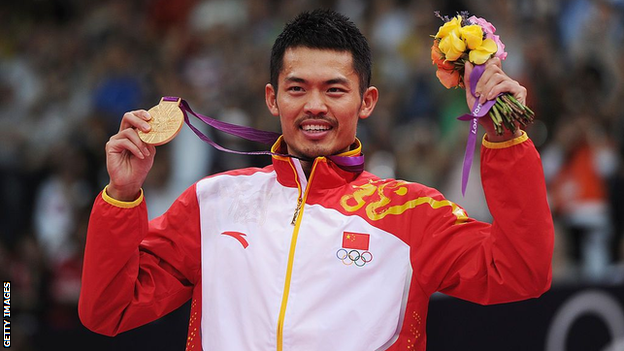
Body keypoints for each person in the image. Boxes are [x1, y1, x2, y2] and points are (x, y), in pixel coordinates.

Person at [79, 9, 554, 351]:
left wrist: (507, 140)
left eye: (335, 89)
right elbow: (109, 311)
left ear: (366, 102)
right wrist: (122, 196)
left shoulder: (413, 216)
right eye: (297, 88)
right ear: (272, 98)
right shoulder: (213, 203)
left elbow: (520, 272)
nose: (315, 106)